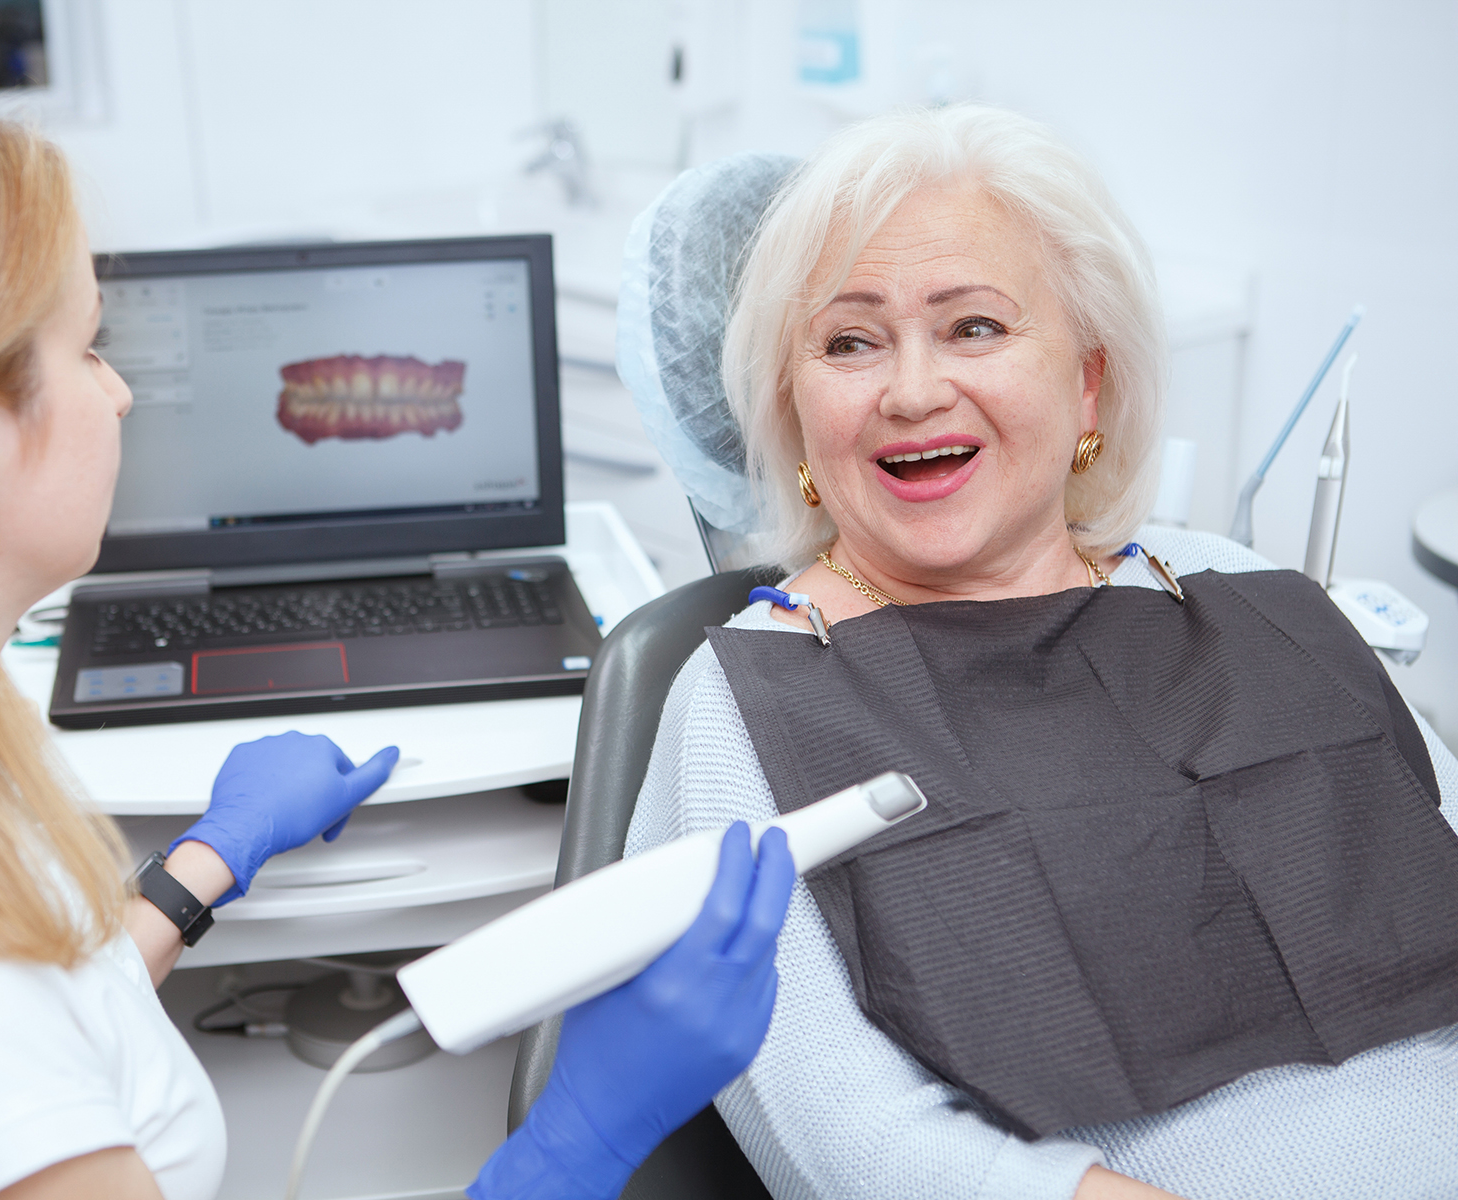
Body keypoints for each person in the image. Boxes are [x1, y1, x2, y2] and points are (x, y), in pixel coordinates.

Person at [0, 85, 795, 1200]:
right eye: (90, 349)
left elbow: (53, 1022)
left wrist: (205, 863)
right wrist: (584, 1134)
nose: (119, 398)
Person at [625, 104, 1458, 1200]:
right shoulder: (761, 692)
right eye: (850, 341)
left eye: (975, 326)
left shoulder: (1244, 590)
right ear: (794, 415)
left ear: (1087, 385)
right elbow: (847, 1139)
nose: (914, 389)